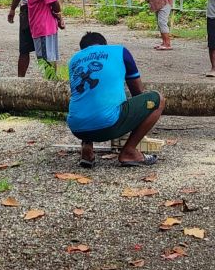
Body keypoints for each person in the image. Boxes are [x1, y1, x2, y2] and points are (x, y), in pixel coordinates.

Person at [67, 32, 165, 168]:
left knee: (86, 98)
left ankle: (86, 147)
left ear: (83, 49)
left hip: (77, 128)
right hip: (108, 126)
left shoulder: (74, 59)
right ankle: (129, 151)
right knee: (158, 99)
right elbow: (137, 93)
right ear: (104, 45)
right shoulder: (120, 51)